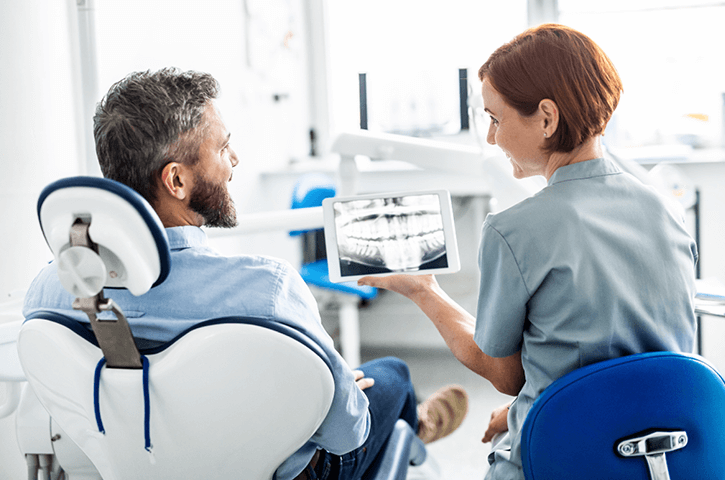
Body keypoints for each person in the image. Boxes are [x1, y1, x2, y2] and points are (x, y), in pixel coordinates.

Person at [22, 68, 469, 480]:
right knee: (390, 376)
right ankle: (416, 427)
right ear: (176, 181)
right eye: (221, 147)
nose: (234, 159)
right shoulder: (268, 290)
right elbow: (345, 434)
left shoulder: (50, 292)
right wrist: (338, 391)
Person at [358, 24, 698, 479]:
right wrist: (526, 409)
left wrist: (425, 291)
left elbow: (505, 375)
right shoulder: (666, 210)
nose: (491, 139)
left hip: (567, 456)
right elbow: (625, 358)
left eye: (495, 119)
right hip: (663, 455)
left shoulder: (513, 230)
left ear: (547, 118)